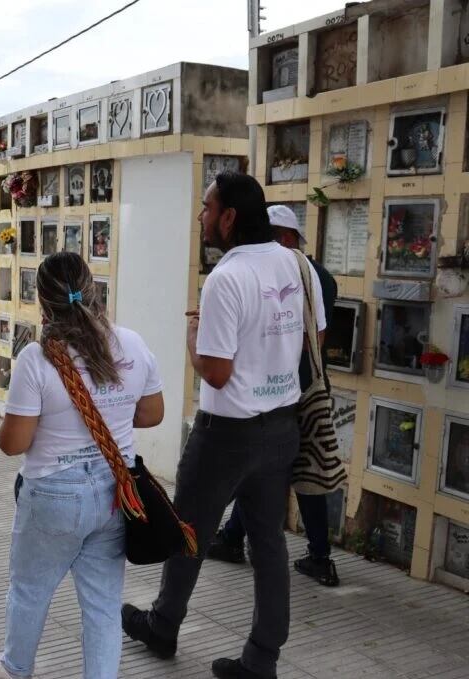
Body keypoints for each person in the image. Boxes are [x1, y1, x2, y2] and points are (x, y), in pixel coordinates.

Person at [121, 172, 325, 679]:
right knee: (269, 544)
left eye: (207, 207)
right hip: (282, 427)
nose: (201, 216)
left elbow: (215, 371)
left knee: (188, 530)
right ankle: (262, 659)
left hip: (226, 434)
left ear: (229, 217)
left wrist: (195, 337)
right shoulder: (296, 264)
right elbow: (315, 335)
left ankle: (163, 625)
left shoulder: (226, 278)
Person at [0, 252, 165, 679]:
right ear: (94, 291)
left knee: (30, 590)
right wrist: (111, 417)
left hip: (54, 495)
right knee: (102, 605)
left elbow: (13, 444)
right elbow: (152, 413)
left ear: (42, 302)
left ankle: (14, 669)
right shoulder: (131, 344)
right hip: (115, 492)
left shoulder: (37, 359)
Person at [206, 204, 341, 587]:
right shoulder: (322, 276)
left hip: (282, 390)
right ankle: (237, 538)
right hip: (304, 385)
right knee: (281, 468)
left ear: (284, 237)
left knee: (277, 469)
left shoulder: (289, 272)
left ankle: (317, 555)